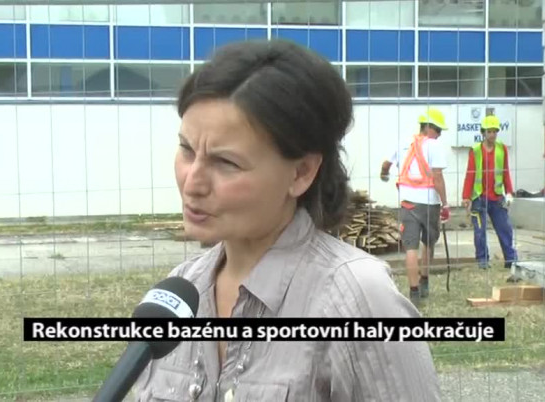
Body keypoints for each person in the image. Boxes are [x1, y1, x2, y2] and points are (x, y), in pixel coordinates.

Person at [127, 40, 441, 401]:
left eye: (226, 162)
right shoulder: (179, 295)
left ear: (301, 172)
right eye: (186, 149)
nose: (192, 183)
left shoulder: (357, 300)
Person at [379, 109, 450, 305]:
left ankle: (414, 292)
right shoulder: (434, 146)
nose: (439, 134)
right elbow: (437, 177)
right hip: (429, 203)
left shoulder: (403, 143)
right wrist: (445, 204)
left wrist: (384, 175)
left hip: (408, 202)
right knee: (428, 243)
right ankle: (424, 281)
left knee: (410, 246)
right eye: (438, 130)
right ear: (428, 127)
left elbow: (386, 164)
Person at [462, 115, 517, 269]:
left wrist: (509, 192)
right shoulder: (475, 150)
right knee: (480, 232)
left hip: (497, 197)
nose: (492, 134)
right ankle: (482, 261)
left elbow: (505, 172)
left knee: (505, 229)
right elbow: (470, 174)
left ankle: (511, 260)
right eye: (489, 131)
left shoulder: (501, 149)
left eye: (494, 131)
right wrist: (466, 196)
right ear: (483, 133)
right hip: (479, 197)